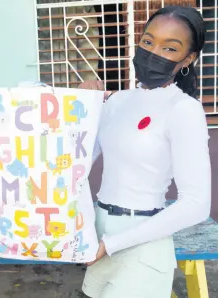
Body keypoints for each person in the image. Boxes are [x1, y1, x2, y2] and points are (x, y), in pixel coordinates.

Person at [79, 6, 211, 298]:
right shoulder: (116, 102)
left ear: (188, 59)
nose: (154, 53)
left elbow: (197, 204)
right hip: (97, 234)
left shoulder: (183, 109)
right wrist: (83, 110)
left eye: (170, 47)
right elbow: (76, 166)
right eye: (148, 42)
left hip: (142, 243)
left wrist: (113, 243)